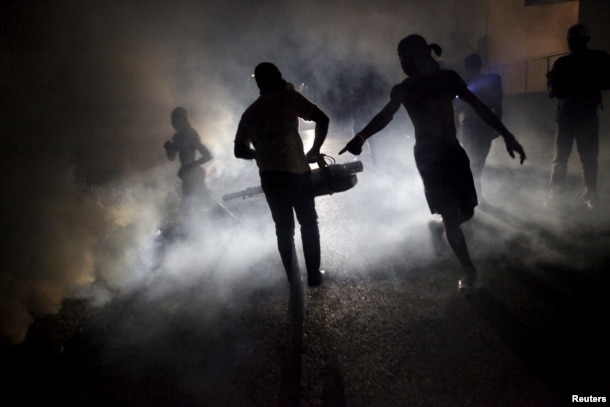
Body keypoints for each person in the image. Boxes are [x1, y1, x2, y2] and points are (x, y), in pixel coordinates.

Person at [339, 34, 526, 293]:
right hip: (428, 157)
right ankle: (469, 271)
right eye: (401, 59)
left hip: (453, 152)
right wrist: (361, 136)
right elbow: (385, 116)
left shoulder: (448, 79)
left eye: (406, 57)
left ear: (422, 56)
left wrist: (507, 135)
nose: (403, 63)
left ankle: (437, 227)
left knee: (468, 212)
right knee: (451, 216)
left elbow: (479, 106)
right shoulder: (403, 89)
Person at [234, 62, 329, 287]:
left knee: (283, 229)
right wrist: (314, 150)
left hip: (270, 176)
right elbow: (322, 119)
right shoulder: (290, 98)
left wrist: (257, 154)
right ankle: (314, 275)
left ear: (258, 83)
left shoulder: (250, 112)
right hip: (297, 171)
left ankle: (292, 277)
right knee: (308, 223)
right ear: (277, 76)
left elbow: (239, 150)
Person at [545, 24, 610, 209]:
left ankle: (557, 195)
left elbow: (552, 91)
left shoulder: (563, 63)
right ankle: (589, 195)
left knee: (563, 159)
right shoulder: (598, 58)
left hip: (568, 115)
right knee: (586, 159)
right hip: (584, 115)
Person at [164, 107, 238, 226]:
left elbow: (207, 155)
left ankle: (232, 221)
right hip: (188, 175)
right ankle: (193, 230)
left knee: (201, 202)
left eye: (175, 121)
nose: (173, 124)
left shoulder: (191, 134)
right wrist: (168, 148)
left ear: (183, 119)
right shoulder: (177, 137)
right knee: (189, 205)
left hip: (193, 175)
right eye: (172, 122)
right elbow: (171, 157)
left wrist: (191, 166)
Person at [454, 53, 503, 200]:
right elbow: (498, 106)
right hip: (483, 128)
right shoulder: (489, 83)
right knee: (477, 163)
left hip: (470, 128)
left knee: (472, 163)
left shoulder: (464, 84)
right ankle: (475, 196)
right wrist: (497, 127)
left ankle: (474, 196)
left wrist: (457, 130)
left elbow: (457, 108)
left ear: (467, 67)